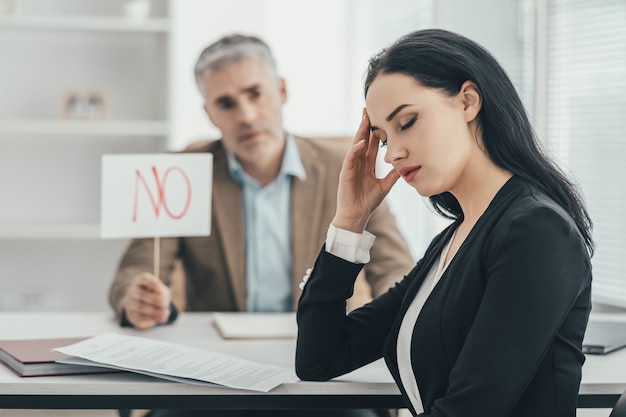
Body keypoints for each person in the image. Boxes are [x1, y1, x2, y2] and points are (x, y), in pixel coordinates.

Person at [109, 34, 414, 417]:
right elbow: (134, 271)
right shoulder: (183, 173)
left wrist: (395, 317)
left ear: (281, 90)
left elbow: (396, 270)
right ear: (209, 114)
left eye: (255, 93)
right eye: (226, 103)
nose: (246, 115)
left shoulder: (347, 170)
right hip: (217, 373)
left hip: (319, 368)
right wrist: (136, 298)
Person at [295, 28, 594, 417]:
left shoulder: (537, 231)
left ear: (468, 101)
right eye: (383, 139)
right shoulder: (455, 238)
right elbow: (320, 359)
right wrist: (349, 222)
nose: (392, 155)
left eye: (407, 122)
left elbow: (472, 409)